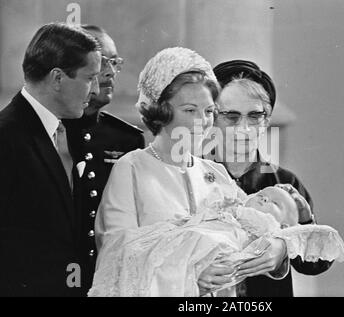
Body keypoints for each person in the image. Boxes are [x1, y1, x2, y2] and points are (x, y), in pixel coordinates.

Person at [95, 47, 289, 296]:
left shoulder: (215, 173)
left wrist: (278, 246)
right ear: (161, 111)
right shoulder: (132, 168)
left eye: (209, 111)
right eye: (190, 110)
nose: (203, 121)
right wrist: (188, 274)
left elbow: (256, 228)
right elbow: (116, 254)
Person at [207, 60, 333, 296]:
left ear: (267, 120)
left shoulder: (285, 182)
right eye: (231, 116)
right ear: (212, 118)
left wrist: (294, 236)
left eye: (255, 116)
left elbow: (316, 264)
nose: (244, 128)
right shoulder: (193, 177)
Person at [89, 184, 344, 297]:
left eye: (256, 115)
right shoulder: (214, 174)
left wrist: (282, 245)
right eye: (231, 115)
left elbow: (312, 249)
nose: (266, 198)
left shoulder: (281, 188)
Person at [0, 22, 101, 296]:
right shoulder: (6, 137)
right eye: (89, 78)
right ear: (57, 78)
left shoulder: (70, 132)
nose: (95, 91)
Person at [62, 25, 145, 294]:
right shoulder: (52, 132)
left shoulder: (127, 139)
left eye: (115, 62)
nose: (110, 72)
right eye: (102, 62)